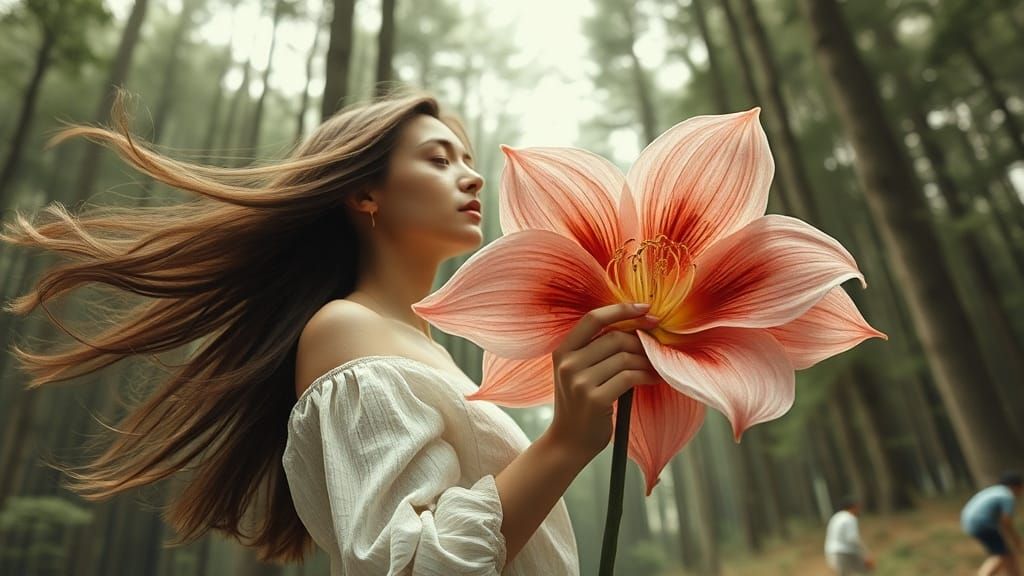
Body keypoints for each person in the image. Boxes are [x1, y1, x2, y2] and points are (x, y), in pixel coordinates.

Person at [1, 90, 662, 575]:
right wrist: (562, 445)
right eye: (438, 159)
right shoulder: (347, 330)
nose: (473, 173)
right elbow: (410, 567)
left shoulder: (426, 351)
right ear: (364, 195)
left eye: (466, 156)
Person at [962, 472, 1023, 576]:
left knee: (1007, 555)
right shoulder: (1007, 496)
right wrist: (1017, 541)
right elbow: (1006, 522)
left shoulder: (996, 491)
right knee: (1001, 555)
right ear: (1015, 486)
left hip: (970, 522)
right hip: (982, 524)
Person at [824, 497, 875, 575]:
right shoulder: (850, 518)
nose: (859, 510)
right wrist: (866, 554)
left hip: (832, 550)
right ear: (853, 507)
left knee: (844, 573)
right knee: (865, 571)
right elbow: (852, 539)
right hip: (845, 551)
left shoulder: (836, 517)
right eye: (858, 507)